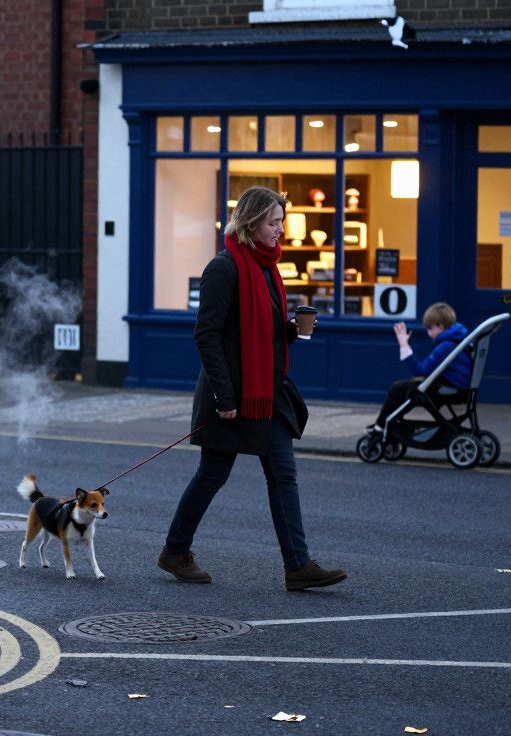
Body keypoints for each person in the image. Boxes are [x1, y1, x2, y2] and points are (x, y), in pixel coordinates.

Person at [157, 186, 347, 592]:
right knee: (212, 474)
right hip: (230, 395)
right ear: (250, 222)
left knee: (283, 475)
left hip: (267, 392)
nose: (281, 229)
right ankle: (175, 551)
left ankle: (297, 566)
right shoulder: (223, 268)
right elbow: (207, 336)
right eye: (273, 222)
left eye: (282, 221)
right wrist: (225, 398)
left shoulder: (267, 267)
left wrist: (290, 331)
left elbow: (258, 332)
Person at [368, 302, 471, 433]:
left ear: (440, 326)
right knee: (410, 385)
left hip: (450, 390)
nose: (428, 332)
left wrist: (404, 346)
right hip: (458, 388)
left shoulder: (446, 346)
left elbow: (420, 370)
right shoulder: (458, 339)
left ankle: (382, 426)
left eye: (429, 328)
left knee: (398, 388)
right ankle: (389, 423)